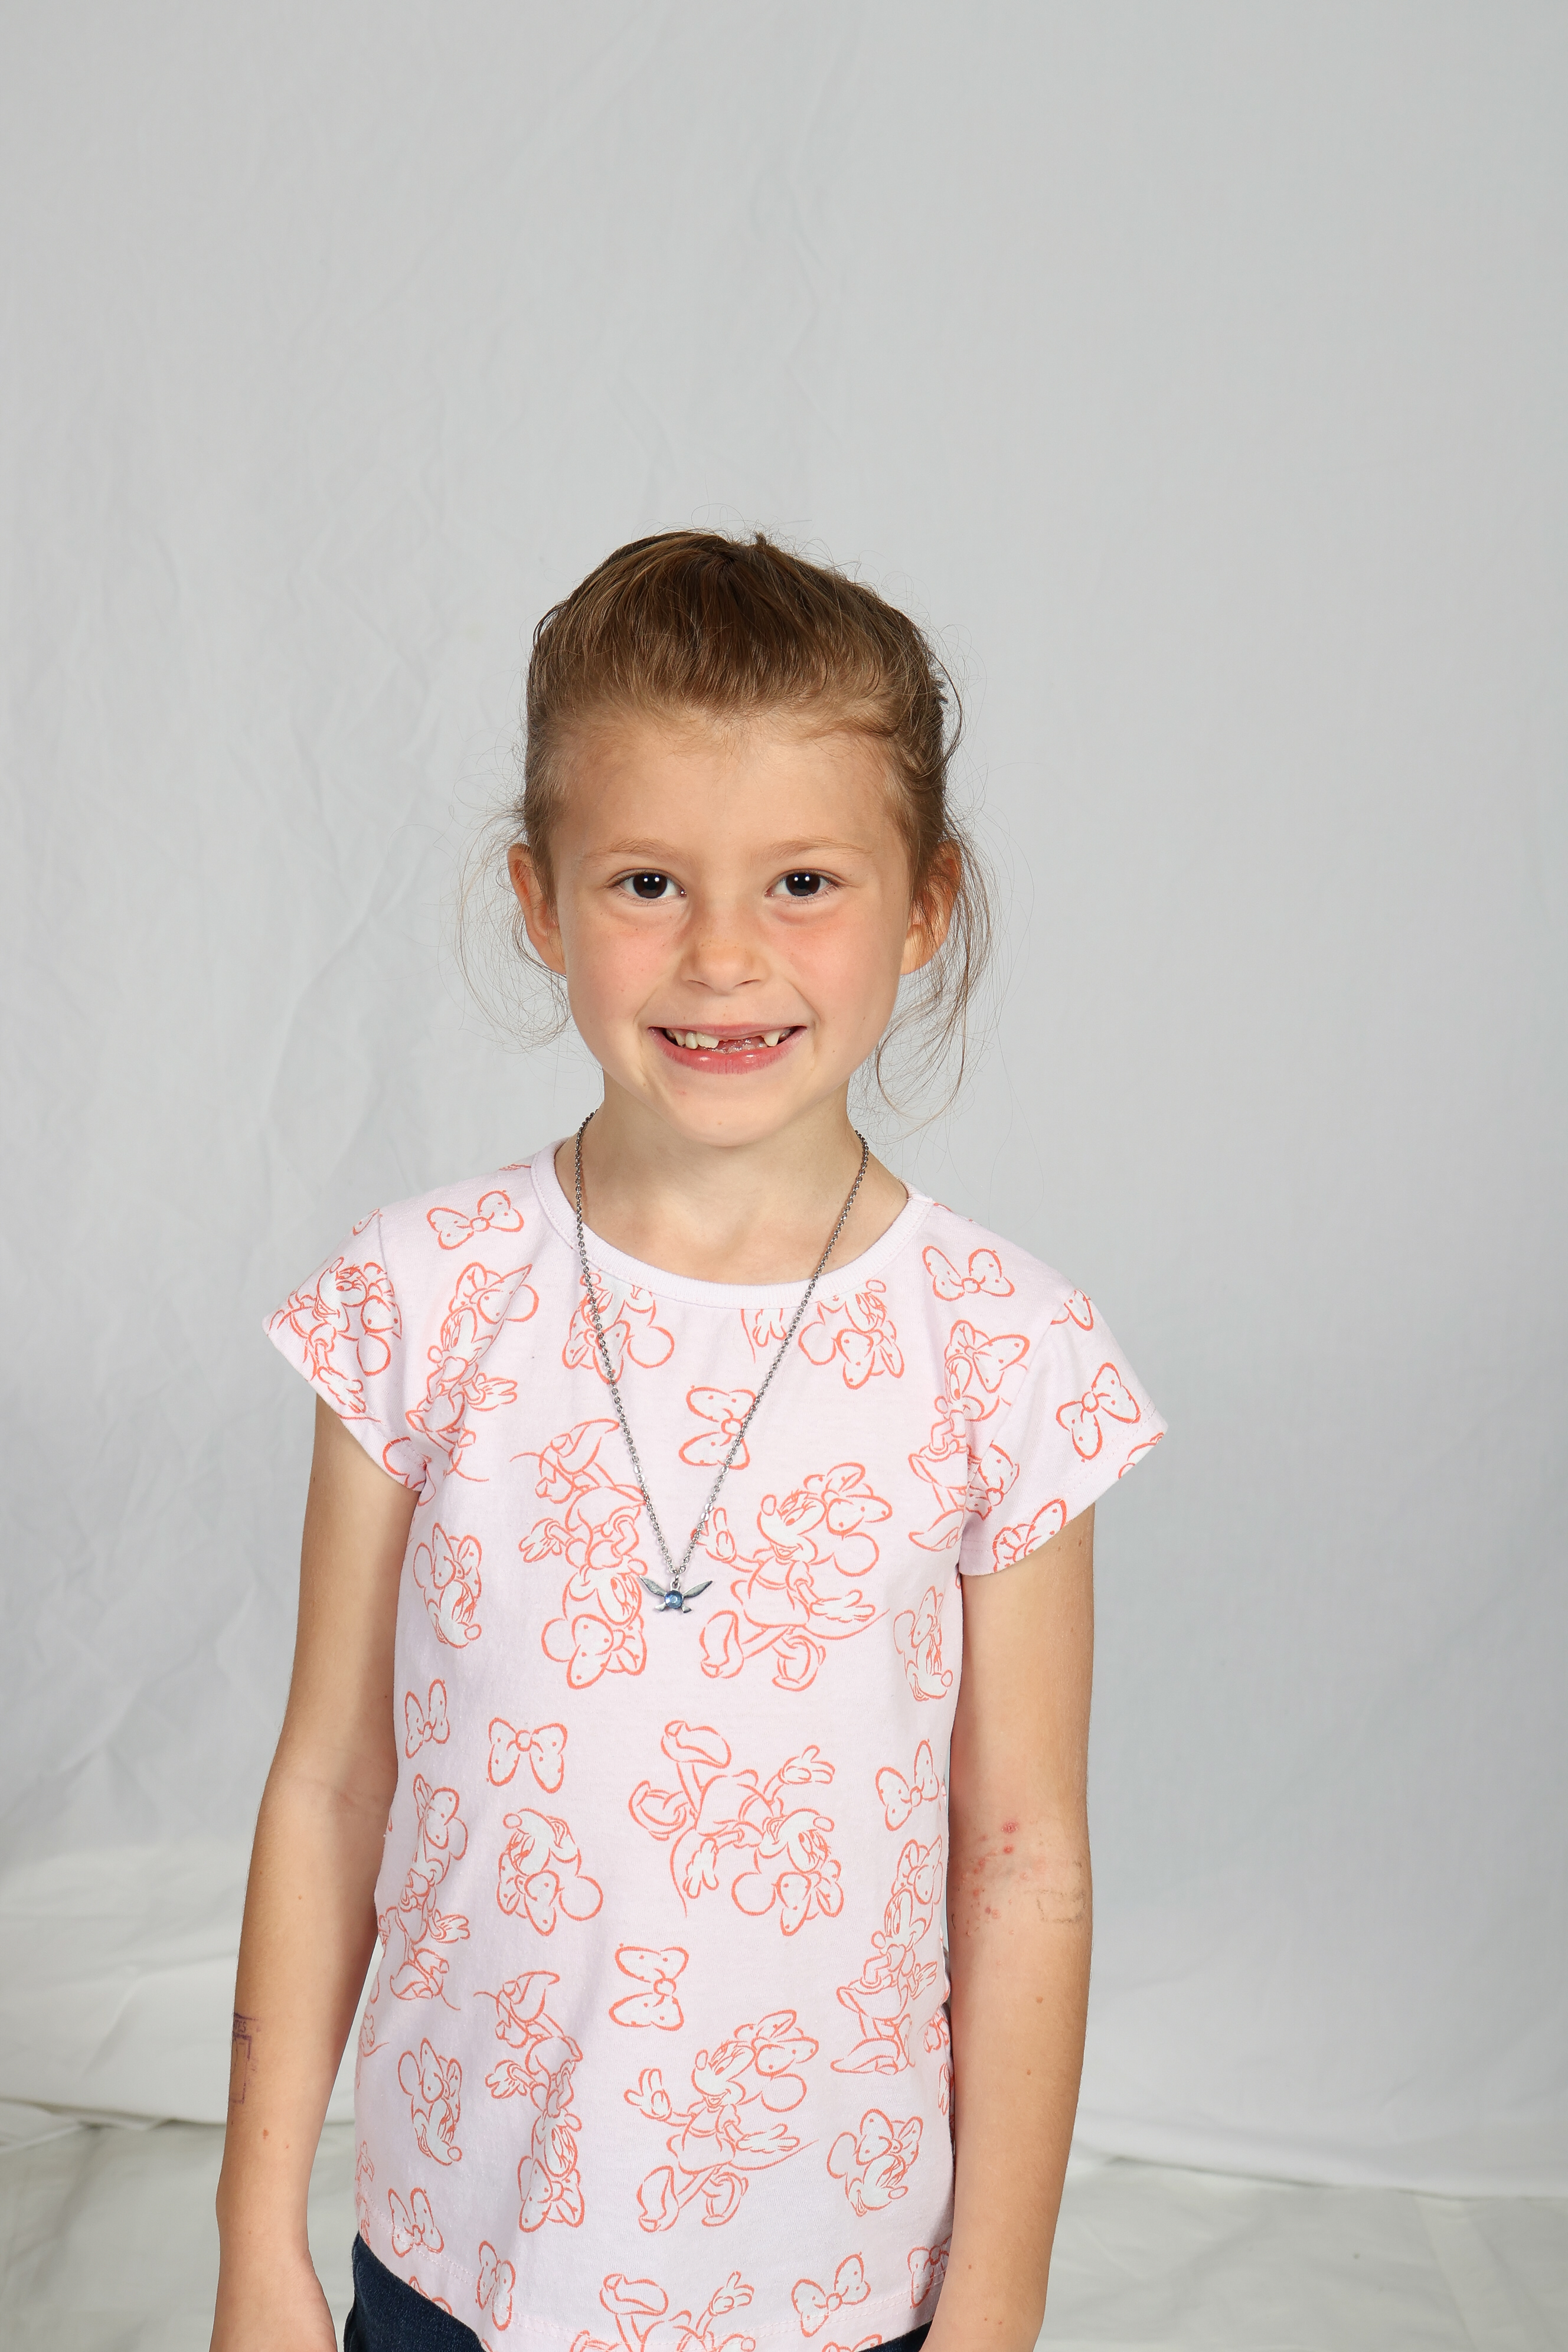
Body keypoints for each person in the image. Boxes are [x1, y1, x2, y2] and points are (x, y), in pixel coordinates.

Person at [211, 530, 1165, 2352]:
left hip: (839, 2288)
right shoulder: (423, 1297)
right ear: (542, 901)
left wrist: (995, 2311)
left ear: (925, 906)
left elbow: (1026, 1859)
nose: (725, 955)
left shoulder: (1007, 1353)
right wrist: (259, 2237)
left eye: (804, 882)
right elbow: (330, 1781)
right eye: (649, 881)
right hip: (456, 2262)